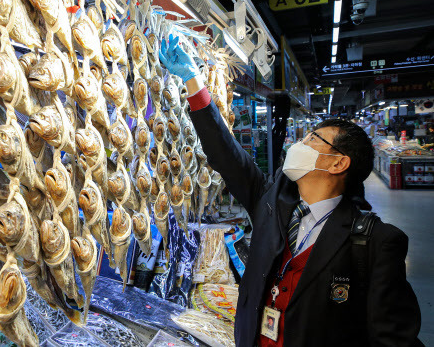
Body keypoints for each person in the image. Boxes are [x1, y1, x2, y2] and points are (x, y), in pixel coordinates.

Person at [159, 35, 422, 347]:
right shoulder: (271, 201)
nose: (298, 144)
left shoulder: (373, 243)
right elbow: (225, 154)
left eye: (312, 140)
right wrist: (193, 81)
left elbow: (393, 339)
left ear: (338, 163)